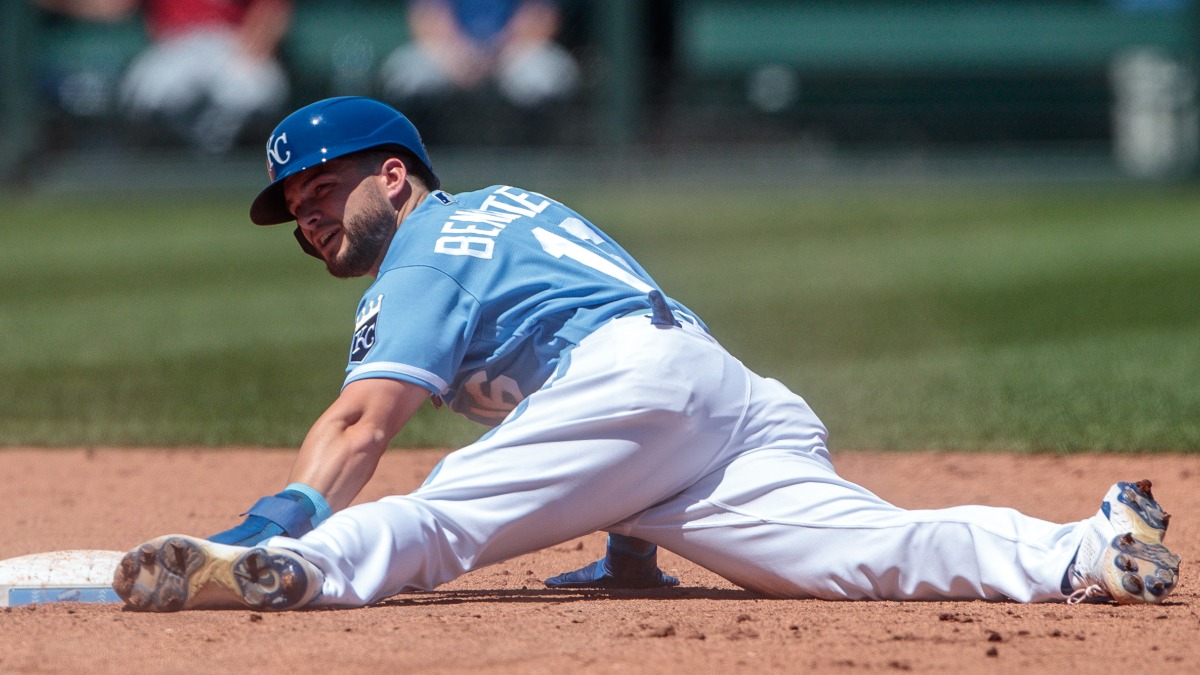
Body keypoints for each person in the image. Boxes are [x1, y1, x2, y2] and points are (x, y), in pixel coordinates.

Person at [112, 96, 1181, 612]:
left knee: (446, 510)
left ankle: (277, 574)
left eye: (320, 189)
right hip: (715, 397)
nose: (307, 217)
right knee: (872, 554)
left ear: (395, 176)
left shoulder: (430, 253)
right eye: (293, 207)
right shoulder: (504, 210)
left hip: (638, 385)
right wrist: (629, 550)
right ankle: (1083, 552)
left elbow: (360, 424)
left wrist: (272, 519)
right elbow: (597, 411)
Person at [36, 0, 292, 154]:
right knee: (149, 92)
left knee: (257, 91)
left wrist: (251, 53)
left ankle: (221, 157)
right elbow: (113, 7)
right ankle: (178, 156)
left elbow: (272, 11)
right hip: (175, 45)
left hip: (231, 43)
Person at [377, 0, 580, 142]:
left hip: (513, 51)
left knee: (547, 73)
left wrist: (494, 54)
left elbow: (541, 17)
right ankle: (423, 149)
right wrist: (460, 56)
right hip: (449, 51)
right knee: (405, 71)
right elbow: (425, 16)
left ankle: (534, 154)